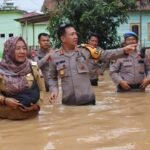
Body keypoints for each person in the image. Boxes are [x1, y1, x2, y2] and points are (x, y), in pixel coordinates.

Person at [48, 24, 136, 106]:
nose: (76, 36)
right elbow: (52, 77)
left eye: (75, 34)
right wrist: (54, 90)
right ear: (63, 39)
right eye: (72, 34)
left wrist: (123, 50)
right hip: (68, 102)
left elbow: (105, 54)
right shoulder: (55, 56)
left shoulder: (86, 50)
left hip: (88, 101)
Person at [0, 37, 46, 120]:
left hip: (31, 119)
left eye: (24, 48)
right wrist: (5, 100)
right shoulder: (1, 70)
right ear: (9, 50)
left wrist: (37, 106)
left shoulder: (33, 67)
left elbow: (42, 90)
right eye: (17, 48)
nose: (22, 51)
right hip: (6, 120)